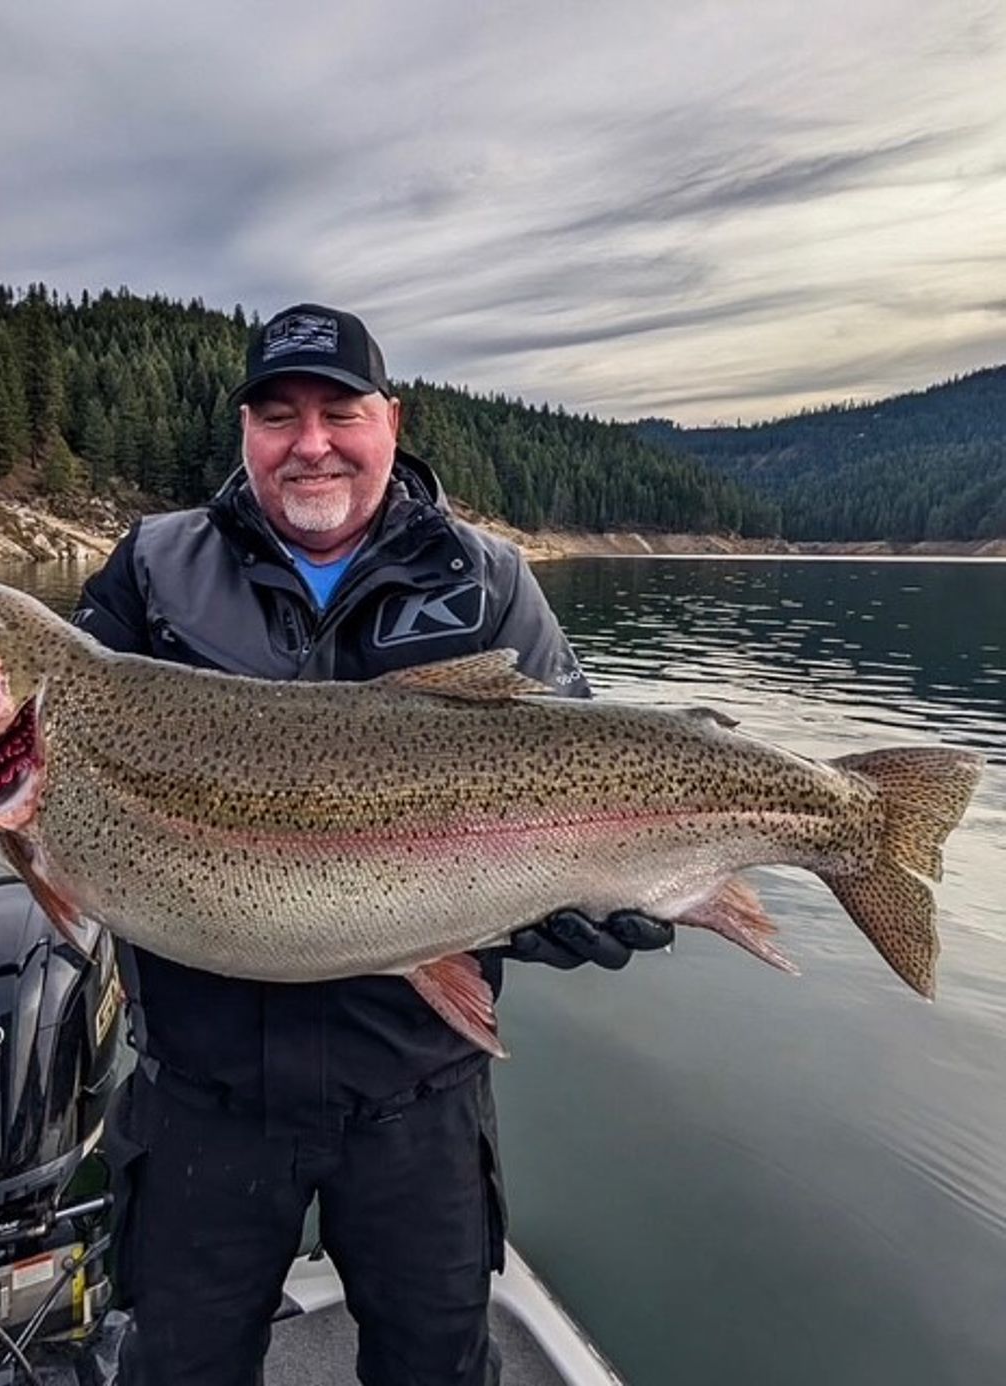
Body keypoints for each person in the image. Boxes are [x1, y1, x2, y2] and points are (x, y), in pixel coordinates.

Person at [71, 304, 673, 1386]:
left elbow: (587, 760)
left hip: (417, 1098)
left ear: (391, 420)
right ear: (245, 432)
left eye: (339, 412)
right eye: (278, 415)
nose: (310, 444)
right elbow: (66, 737)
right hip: (202, 1097)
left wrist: (585, 901)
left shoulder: (490, 582)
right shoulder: (151, 570)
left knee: (437, 1369)